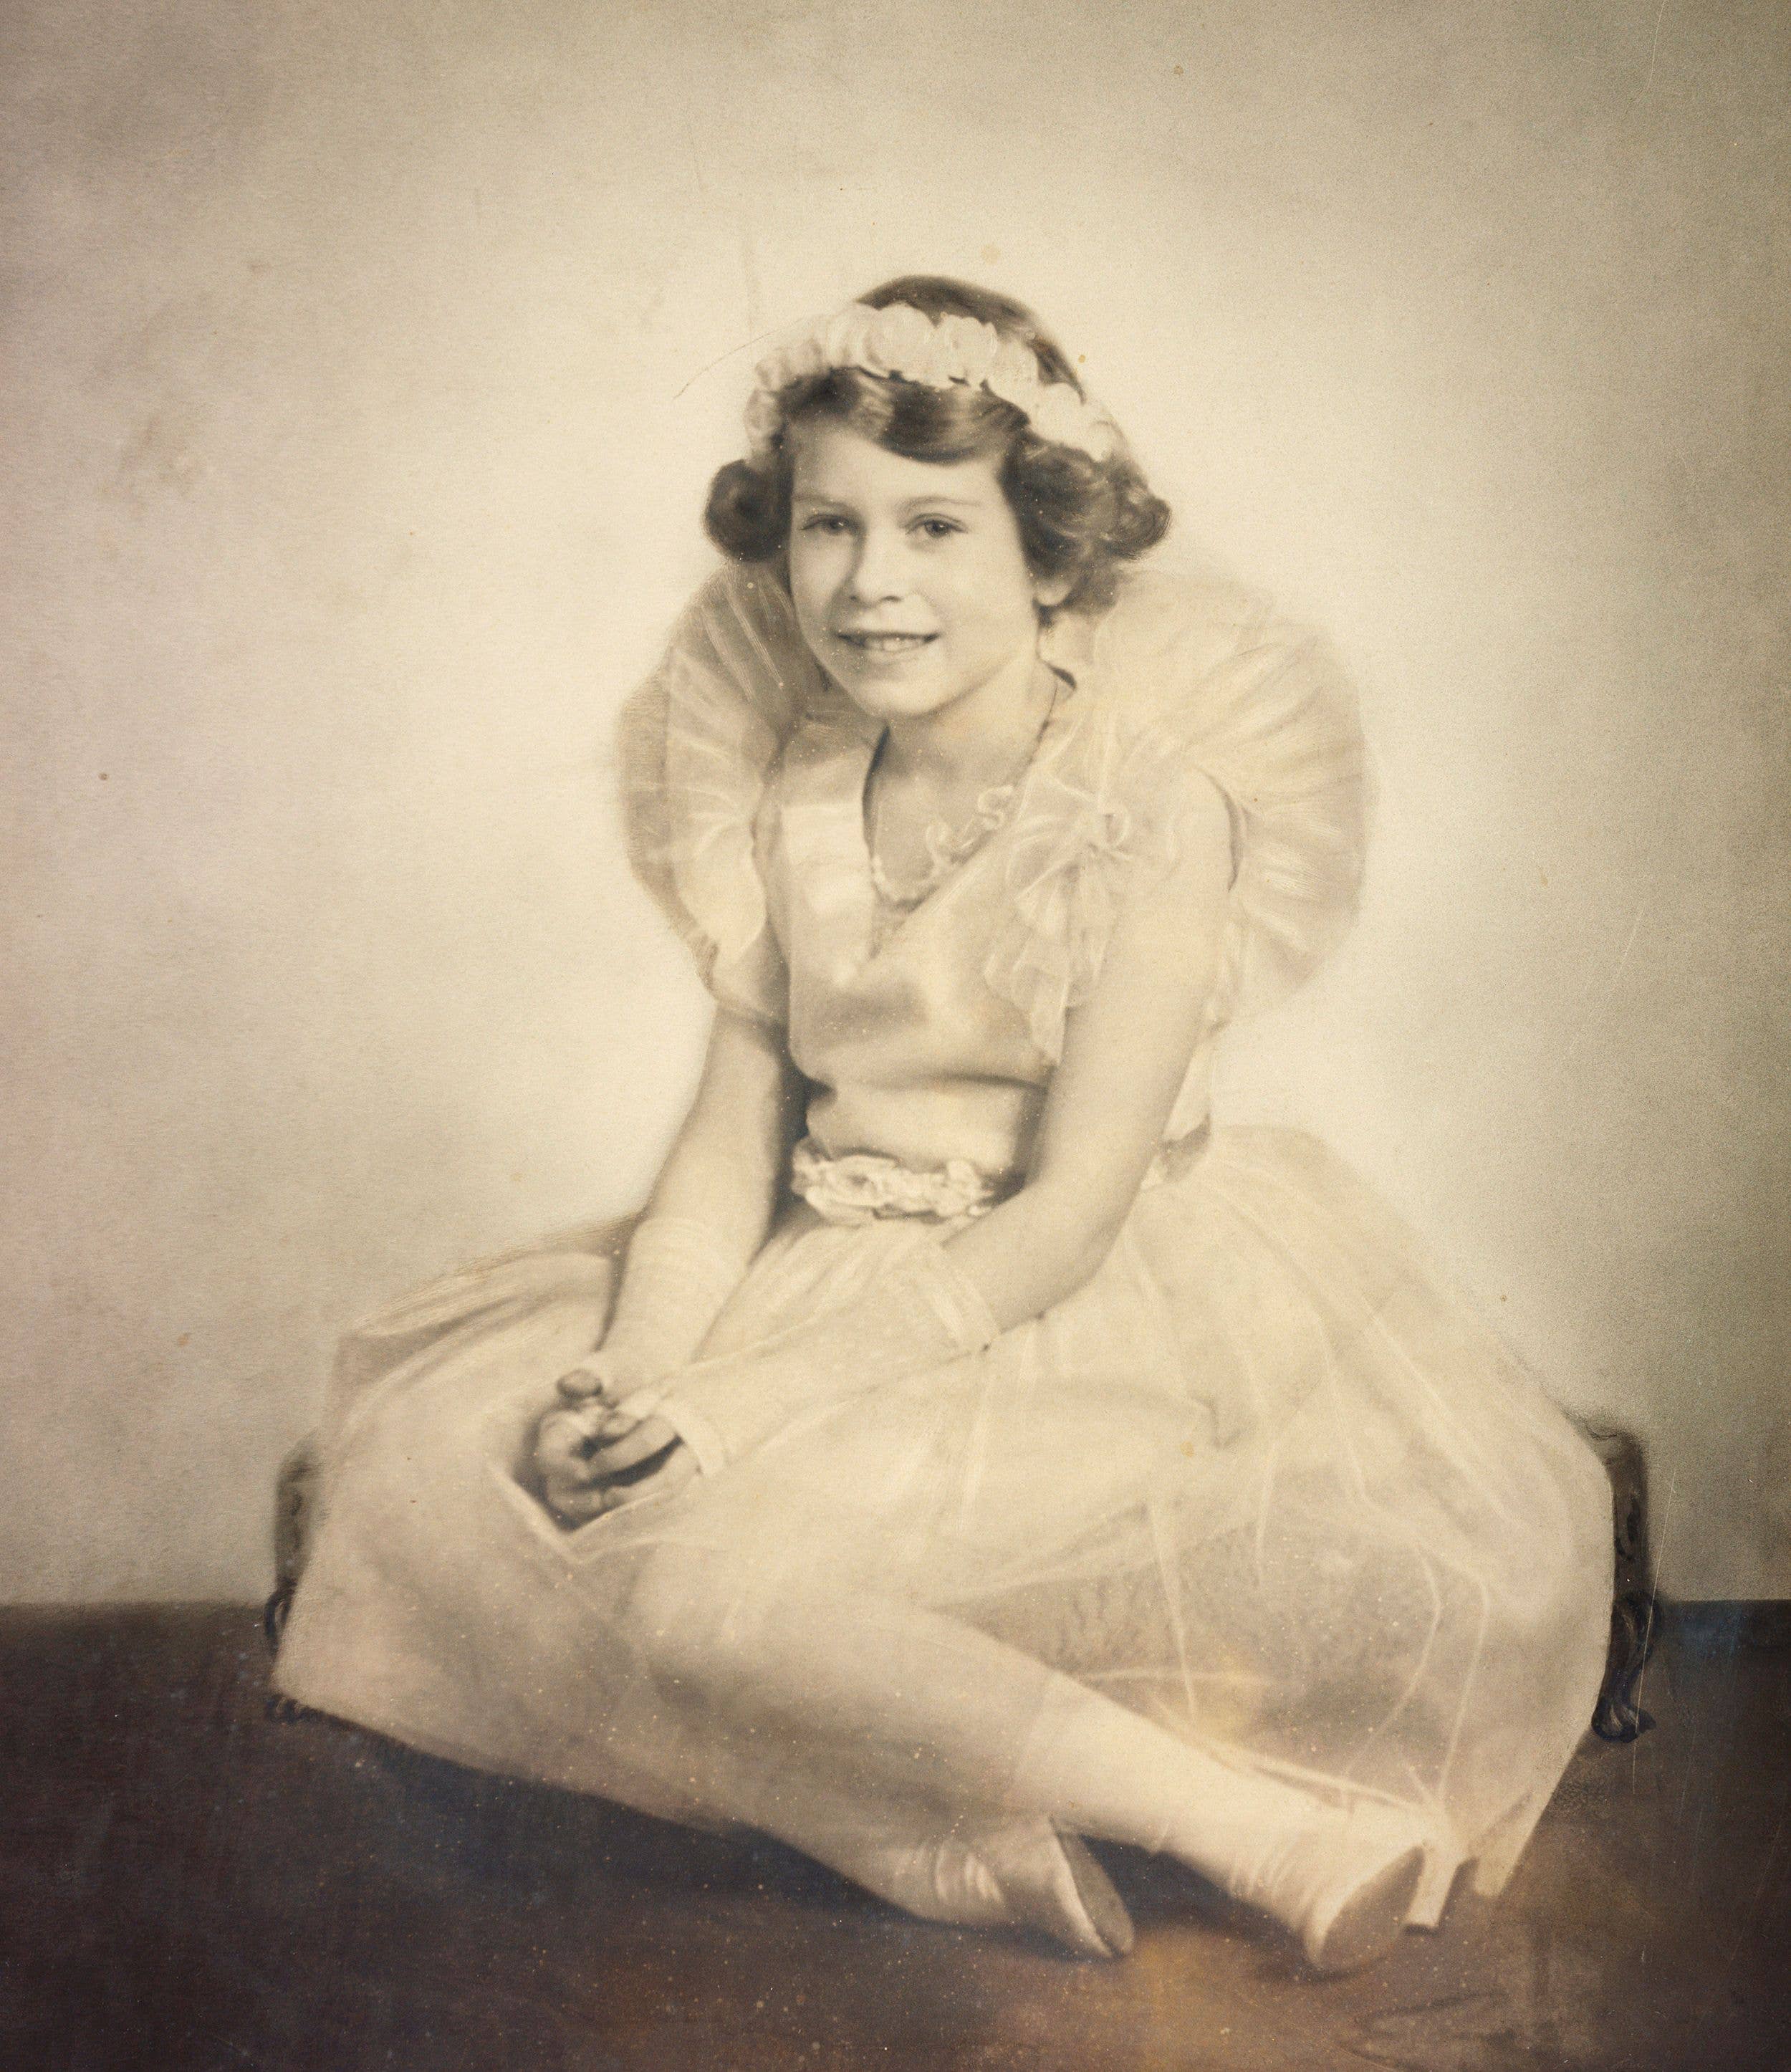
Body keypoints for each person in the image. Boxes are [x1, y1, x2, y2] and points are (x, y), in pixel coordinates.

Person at [272, 277, 1614, 1972]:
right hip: (821, 1269)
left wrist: (741, 1406)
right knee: (501, 1489)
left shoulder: (1149, 804)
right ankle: (927, 1826)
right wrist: (645, 1369)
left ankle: (1265, 1833)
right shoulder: (793, 785)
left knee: (697, 1600)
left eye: (929, 527)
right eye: (826, 526)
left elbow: (1062, 1220)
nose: (868, 582)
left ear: (1047, 555)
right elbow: (724, 1138)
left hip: (1083, 1304)